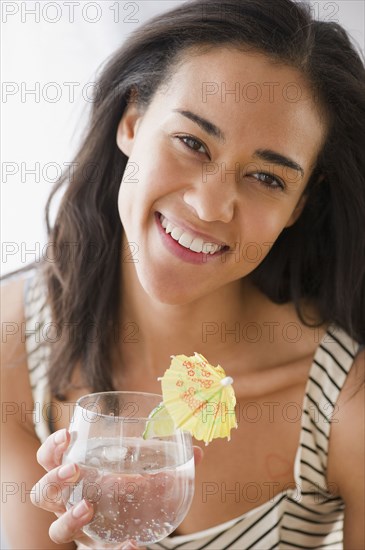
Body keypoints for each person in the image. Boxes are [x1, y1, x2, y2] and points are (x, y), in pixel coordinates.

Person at [1, 0, 364, 548]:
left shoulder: (346, 403)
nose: (211, 204)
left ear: (298, 206)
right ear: (131, 121)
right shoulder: (15, 348)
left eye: (266, 177)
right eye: (193, 143)